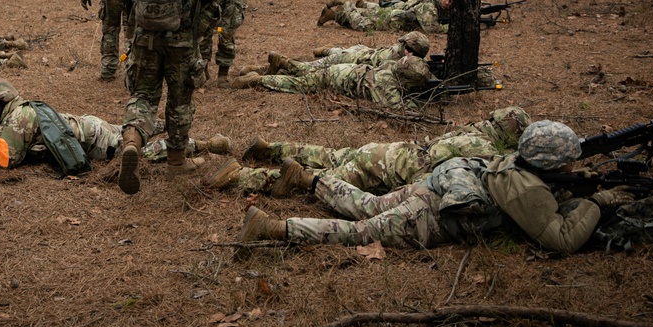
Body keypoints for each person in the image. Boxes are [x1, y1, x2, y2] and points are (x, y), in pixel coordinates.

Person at [237, 120, 636, 255]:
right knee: (360, 232)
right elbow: (562, 241)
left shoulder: (517, 163)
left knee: (370, 205)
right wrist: (598, 202)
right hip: (431, 217)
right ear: (552, 162)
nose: (574, 163)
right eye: (569, 158)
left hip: (429, 189)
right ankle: (273, 228)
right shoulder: (526, 190)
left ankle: (308, 178)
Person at [113, 0, 226, 194]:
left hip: (145, 36)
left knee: (144, 96)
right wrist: (198, 30)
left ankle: (133, 140)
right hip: (182, 40)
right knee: (180, 99)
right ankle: (176, 160)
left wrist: (137, 21)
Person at [206, 106, 530, 195]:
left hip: (386, 150)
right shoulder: (485, 152)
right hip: (386, 170)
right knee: (313, 180)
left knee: (328, 154)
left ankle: (272, 147)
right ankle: (242, 177)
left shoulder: (471, 130)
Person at [0, 78, 233, 172]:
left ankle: (203, 145)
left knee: (137, 151)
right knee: (130, 132)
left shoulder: (18, 118)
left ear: (4, 101)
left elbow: (7, 160)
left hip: (93, 140)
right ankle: (159, 124)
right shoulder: (16, 112)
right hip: (88, 127)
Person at [229, 54, 433, 111]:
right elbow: (396, 107)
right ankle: (259, 80)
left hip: (344, 71)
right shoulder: (385, 85)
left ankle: (284, 61)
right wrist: (422, 103)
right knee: (297, 84)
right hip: (334, 79)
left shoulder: (391, 66)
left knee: (306, 73)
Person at [243, 31, 430, 78]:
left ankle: (327, 50)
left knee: (318, 62)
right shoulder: (400, 59)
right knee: (307, 70)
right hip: (348, 59)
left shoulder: (397, 49)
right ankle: (277, 62)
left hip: (356, 51)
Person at [317, 0, 450, 35]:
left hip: (393, 15)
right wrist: (449, 28)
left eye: (450, 1)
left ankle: (332, 15)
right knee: (361, 25)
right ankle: (346, 2)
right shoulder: (430, 7)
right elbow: (431, 29)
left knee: (362, 16)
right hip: (392, 21)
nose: (447, 2)